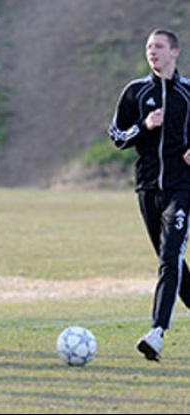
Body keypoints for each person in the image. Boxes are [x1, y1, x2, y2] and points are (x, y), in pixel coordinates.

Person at [108, 28, 190, 362]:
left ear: (175, 52)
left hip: (182, 189)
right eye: (148, 48)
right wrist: (145, 126)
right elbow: (116, 135)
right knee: (169, 262)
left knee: (170, 258)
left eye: (158, 47)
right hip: (146, 189)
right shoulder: (135, 92)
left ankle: (156, 333)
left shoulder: (188, 93)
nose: (151, 52)